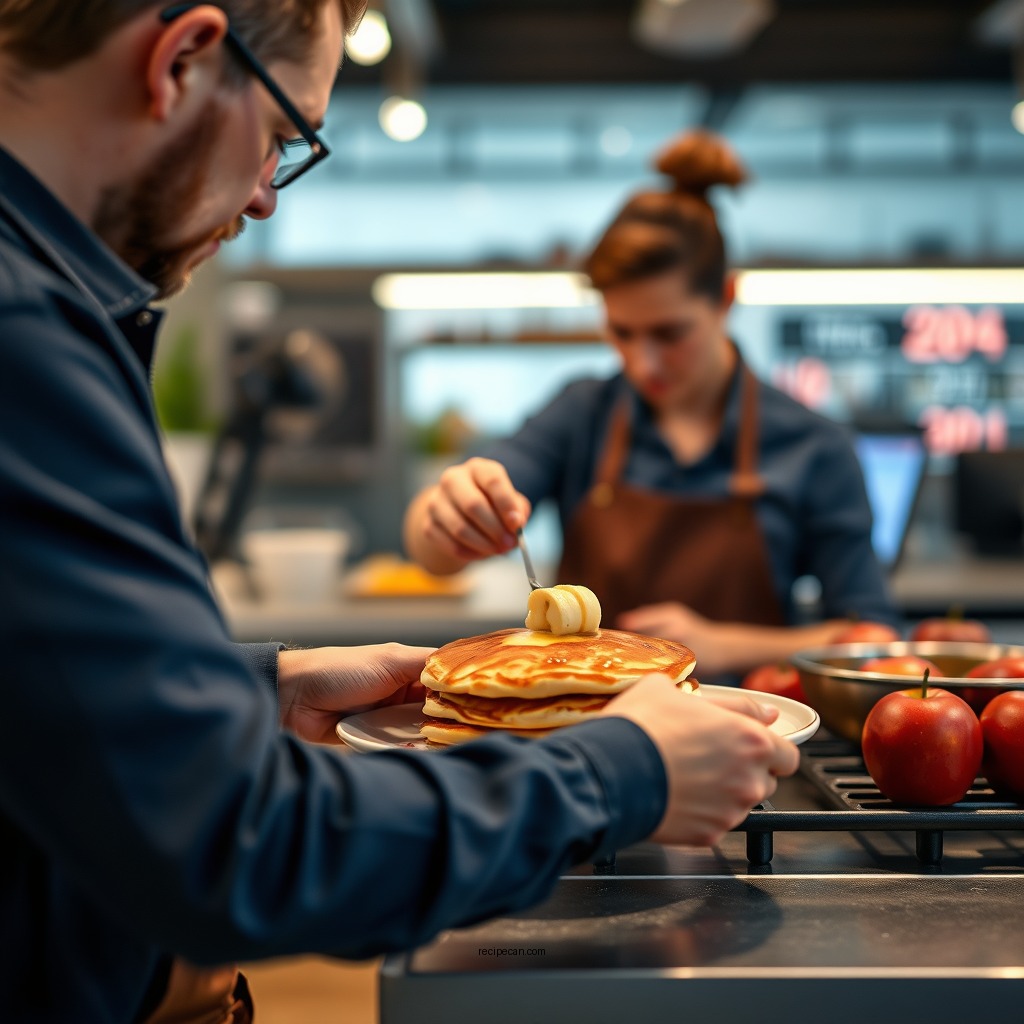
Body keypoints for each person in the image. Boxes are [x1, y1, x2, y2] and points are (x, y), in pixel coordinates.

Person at [0, 3, 800, 1021]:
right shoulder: (25, 338)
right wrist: (619, 771)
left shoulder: (44, 309)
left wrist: (256, 686)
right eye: (285, 138)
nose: (264, 201)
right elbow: (236, 847)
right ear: (184, 58)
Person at [404, 130, 900, 681]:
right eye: (622, 332)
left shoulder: (814, 446)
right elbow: (432, 552)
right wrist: (446, 518)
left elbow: (872, 636)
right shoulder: (583, 413)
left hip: (747, 736)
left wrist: (726, 644)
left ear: (726, 300)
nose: (644, 364)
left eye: (669, 333)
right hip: (585, 737)